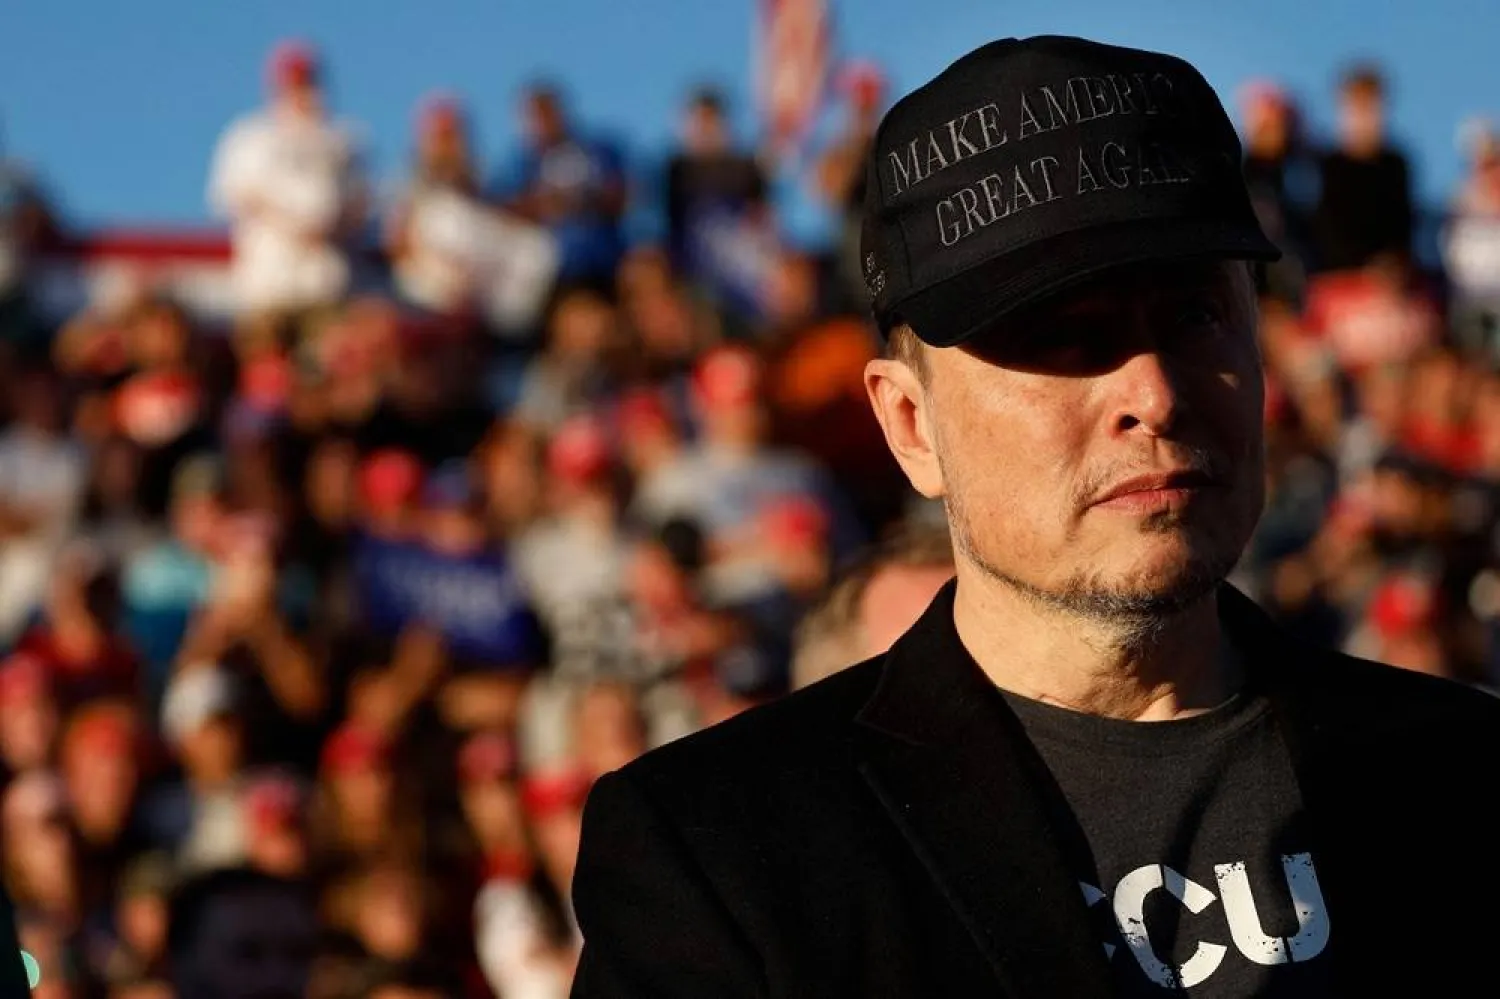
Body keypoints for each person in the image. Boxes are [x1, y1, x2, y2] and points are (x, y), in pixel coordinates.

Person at [568, 34, 1500, 998]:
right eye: (1066, 338)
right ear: (910, 425)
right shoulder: (724, 852)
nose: (1154, 391)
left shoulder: (1463, 782)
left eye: (1195, 316)